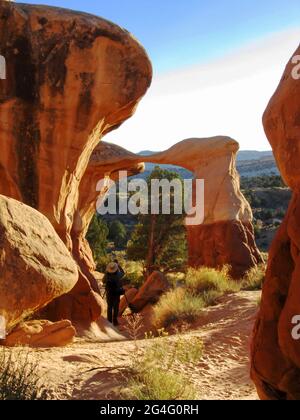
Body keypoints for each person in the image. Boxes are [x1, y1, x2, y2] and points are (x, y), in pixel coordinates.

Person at [104, 261, 125, 327]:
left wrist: (106, 271)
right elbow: (123, 273)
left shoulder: (107, 275)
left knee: (109, 307)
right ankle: (115, 321)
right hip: (116, 293)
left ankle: (109, 321)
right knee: (116, 307)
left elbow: (103, 280)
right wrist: (118, 265)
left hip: (109, 293)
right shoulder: (118, 275)